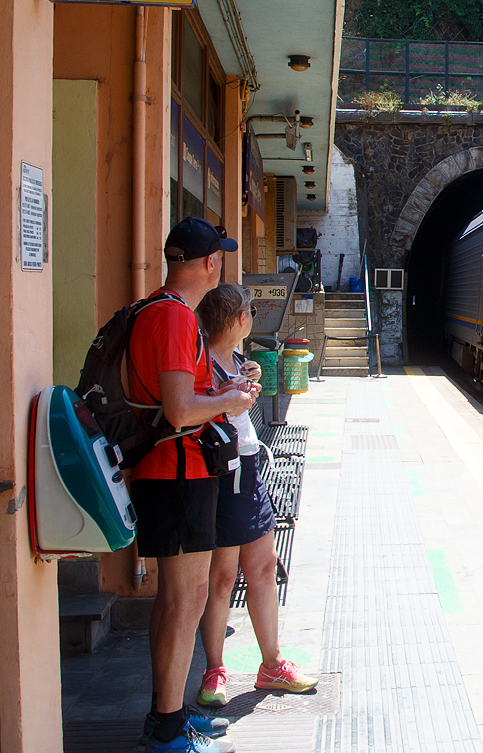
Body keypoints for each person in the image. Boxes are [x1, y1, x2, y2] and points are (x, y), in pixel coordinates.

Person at [129, 218, 258, 753]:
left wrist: (221, 386)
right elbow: (180, 411)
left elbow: (179, 394)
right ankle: (166, 727)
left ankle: (172, 714)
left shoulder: (158, 310)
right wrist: (232, 401)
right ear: (210, 263)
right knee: (187, 598)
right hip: (176, 472)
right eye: (220, 256)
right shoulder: (177, 318)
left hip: (173, 473)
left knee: (181, 596)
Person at [194, 282, 318, 706]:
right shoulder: (202, 363)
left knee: (263, 567)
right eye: (249, 311)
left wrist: (250, 380)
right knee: (223, 577)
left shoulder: (237, 360)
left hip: (249, 469)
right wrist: (234, 397)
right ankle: (214, 669)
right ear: (238, 320)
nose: (252, 317)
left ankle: (272, 665)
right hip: (223, 474)